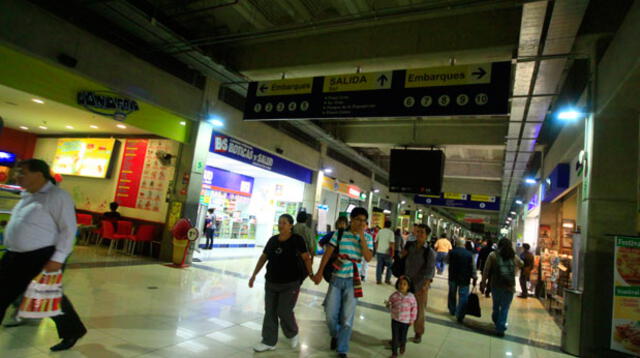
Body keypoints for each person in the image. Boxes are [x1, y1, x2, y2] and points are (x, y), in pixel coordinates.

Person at [0, 159, 87, 351]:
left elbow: (68, 230)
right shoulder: (28, 194)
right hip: (14, 255)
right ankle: (72, 330)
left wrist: (58, 259)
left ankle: (72, 331)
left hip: (39, 257)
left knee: (49, 297)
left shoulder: (57, 196)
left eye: (22, 172)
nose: (17, 176)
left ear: (39, 174)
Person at [312, 207, 374, 358]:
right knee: (330, 314)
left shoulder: (368, 237)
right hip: (336, 277)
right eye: (358, 219)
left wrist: (362, 238)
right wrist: (319, 272)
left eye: (364, 221)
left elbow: (368, 257)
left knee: (347, 318)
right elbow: (327, 254)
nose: (361, 223)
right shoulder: (339, 234)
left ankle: (342, 348)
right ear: (351, 220)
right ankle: (336, 334)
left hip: (353, 281)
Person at [249, 214, 313, 352]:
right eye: (279, 222)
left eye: (284, 223)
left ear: (291, 225)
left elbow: (306, 258)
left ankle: (292, 332)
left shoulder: (297, 240)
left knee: (283, 310)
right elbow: (263, 257)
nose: (281, 225)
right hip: (271, 281)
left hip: (290, 283)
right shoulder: (273, 240)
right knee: (270, 311)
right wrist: (254, 275)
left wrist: (312, 274)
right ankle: (269, 341)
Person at [400, 224, 436, 343]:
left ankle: (418, 333)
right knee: (403, 310)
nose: (419, 234)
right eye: (418, 231)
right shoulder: (409, 246)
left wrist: (425, 285)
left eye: (422, 232)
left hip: (420, 286)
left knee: (419, 311)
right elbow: (402, 259)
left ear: (426, 236)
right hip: (406, 284)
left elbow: (430, 270)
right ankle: (400, 335)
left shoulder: (429, 252)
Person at [481, 238, 523, 337]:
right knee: (505, 308)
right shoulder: (513, 256)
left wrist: (483, 283)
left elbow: (486, 270)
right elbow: (522, 264)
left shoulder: (493, 255)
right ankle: (500, 328)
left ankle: (496, 320)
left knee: (496, 306)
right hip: (509, 286)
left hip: (496, 285)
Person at [385, 276, 417, 358]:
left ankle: (403, 344)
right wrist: (388, 305)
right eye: (400, 284)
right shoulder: (394, 296)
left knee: (403, 337)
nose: (402, 286)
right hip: (395, 319)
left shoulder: (411, 297)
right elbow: (390, 304)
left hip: (405, 321)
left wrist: (412, 320)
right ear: (397, 285)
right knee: (395, 337)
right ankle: (394, 353)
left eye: (404, 284)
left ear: (408, 286)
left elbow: (414, 309)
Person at [446, 237, 477, 323]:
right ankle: (460, 315)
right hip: (465, 278)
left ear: (456, 243)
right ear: (464, 244)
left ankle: (452, 310)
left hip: (452, 276)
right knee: (463, 296)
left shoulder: (452, 252)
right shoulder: (469, 254)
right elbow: (473, 267)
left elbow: (446, 261)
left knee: (452, 294)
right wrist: (474, 277)